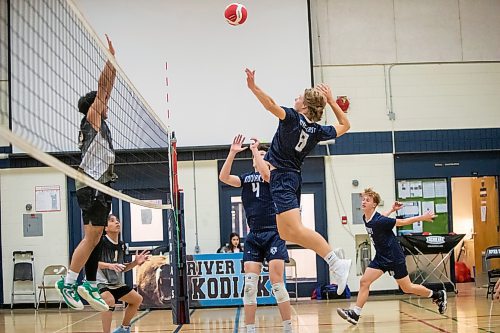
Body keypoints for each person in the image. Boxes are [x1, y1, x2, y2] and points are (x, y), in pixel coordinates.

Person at [245, 68, 352, 295]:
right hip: (289, 178)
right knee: (286, 233)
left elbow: (270, 104)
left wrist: (254, 87)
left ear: (304, 106)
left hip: (283, 178)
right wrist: (333, 102)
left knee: (298, 229)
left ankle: (335, 261)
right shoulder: (316, 130)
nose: (295, 99)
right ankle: (332, 256)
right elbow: (345, 126)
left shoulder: (292, 118)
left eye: (298, 97)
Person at [56, 34, 117, 311]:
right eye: (102, 103)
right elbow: (103, 89)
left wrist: (114, 69)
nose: (106, 105)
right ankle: (68, 282)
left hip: (101, 183)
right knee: (91, 236)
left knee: (95, 237)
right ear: (94, 106)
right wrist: (111, 62)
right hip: (91, 182)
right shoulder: (92, 118)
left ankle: (88, 285)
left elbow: (106, 92)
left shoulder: (99, 123)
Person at [337, 188, 447, 325]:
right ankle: (355, 314)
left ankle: (437, 295)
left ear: (374, 205)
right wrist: (391, 209)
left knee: (407, 288)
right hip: (381, 257)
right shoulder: (366, 217)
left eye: (368, 200)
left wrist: (422, 217)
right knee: (364, 281)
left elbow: (402, 222)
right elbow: (381, 217)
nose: (364, 202)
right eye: (363, 199)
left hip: (394, 257)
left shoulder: (380, 221)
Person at [219, 134, 293, 333]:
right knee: (250, 286)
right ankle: (250, 328)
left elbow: (265, 173)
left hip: (274, 234)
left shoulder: (275, 177)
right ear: (252, 161)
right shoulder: (245, 178)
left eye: (264, 155)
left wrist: (255, 151)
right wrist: (232, 153)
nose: (260, 157)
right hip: (254, 236)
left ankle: (288, 327)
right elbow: (224, 177)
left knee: (277, 285)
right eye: (257, 155)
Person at [98, 215, 149, 333]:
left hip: (116, 283)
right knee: (109, 301)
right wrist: (109, 265)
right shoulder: (101, 242)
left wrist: (135, 262)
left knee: (137, 300)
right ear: (105, 228)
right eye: (112, 221)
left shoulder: (121, 245)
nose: (117, 223)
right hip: (100, 282)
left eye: (117, 221)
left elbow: (121, 268)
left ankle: (124, 328)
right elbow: (92, 263)